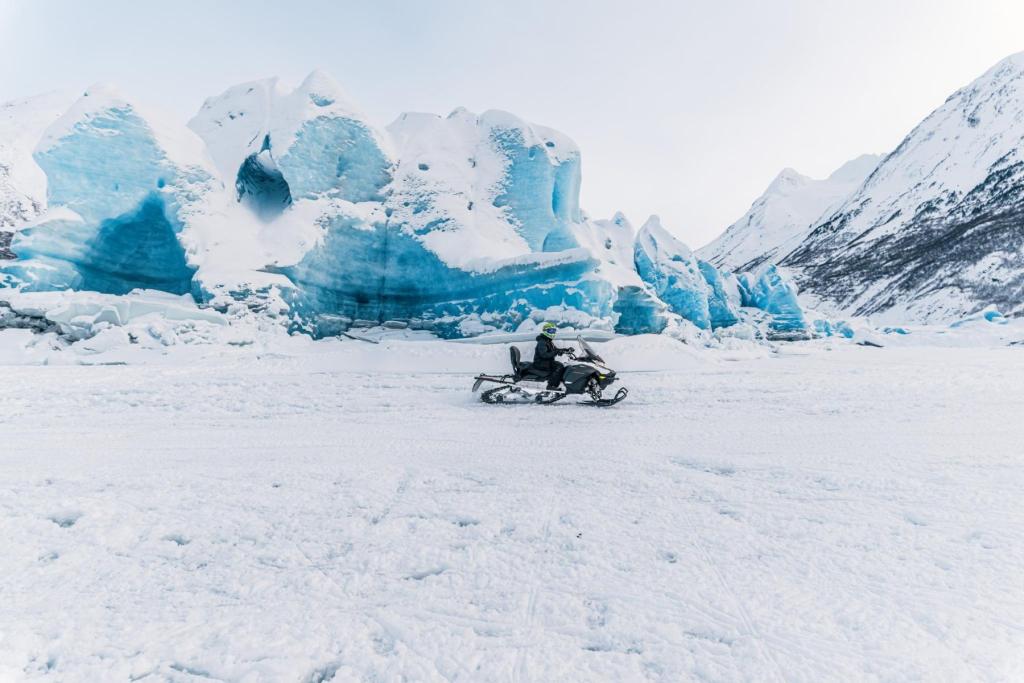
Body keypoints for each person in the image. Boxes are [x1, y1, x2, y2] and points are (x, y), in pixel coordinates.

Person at [532, 322, 571, 390]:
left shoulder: (548, 341)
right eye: (551, 331)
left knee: (561, 365)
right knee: (559, 366)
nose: (552, 333)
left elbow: (555, 350)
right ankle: (551, 386)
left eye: (554, 331)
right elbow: (544, 355)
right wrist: (556, 352)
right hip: (540, 362)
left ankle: (558, 382)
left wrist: (565, 350)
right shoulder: (542, 342)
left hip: (545, 362)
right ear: (545, 331)